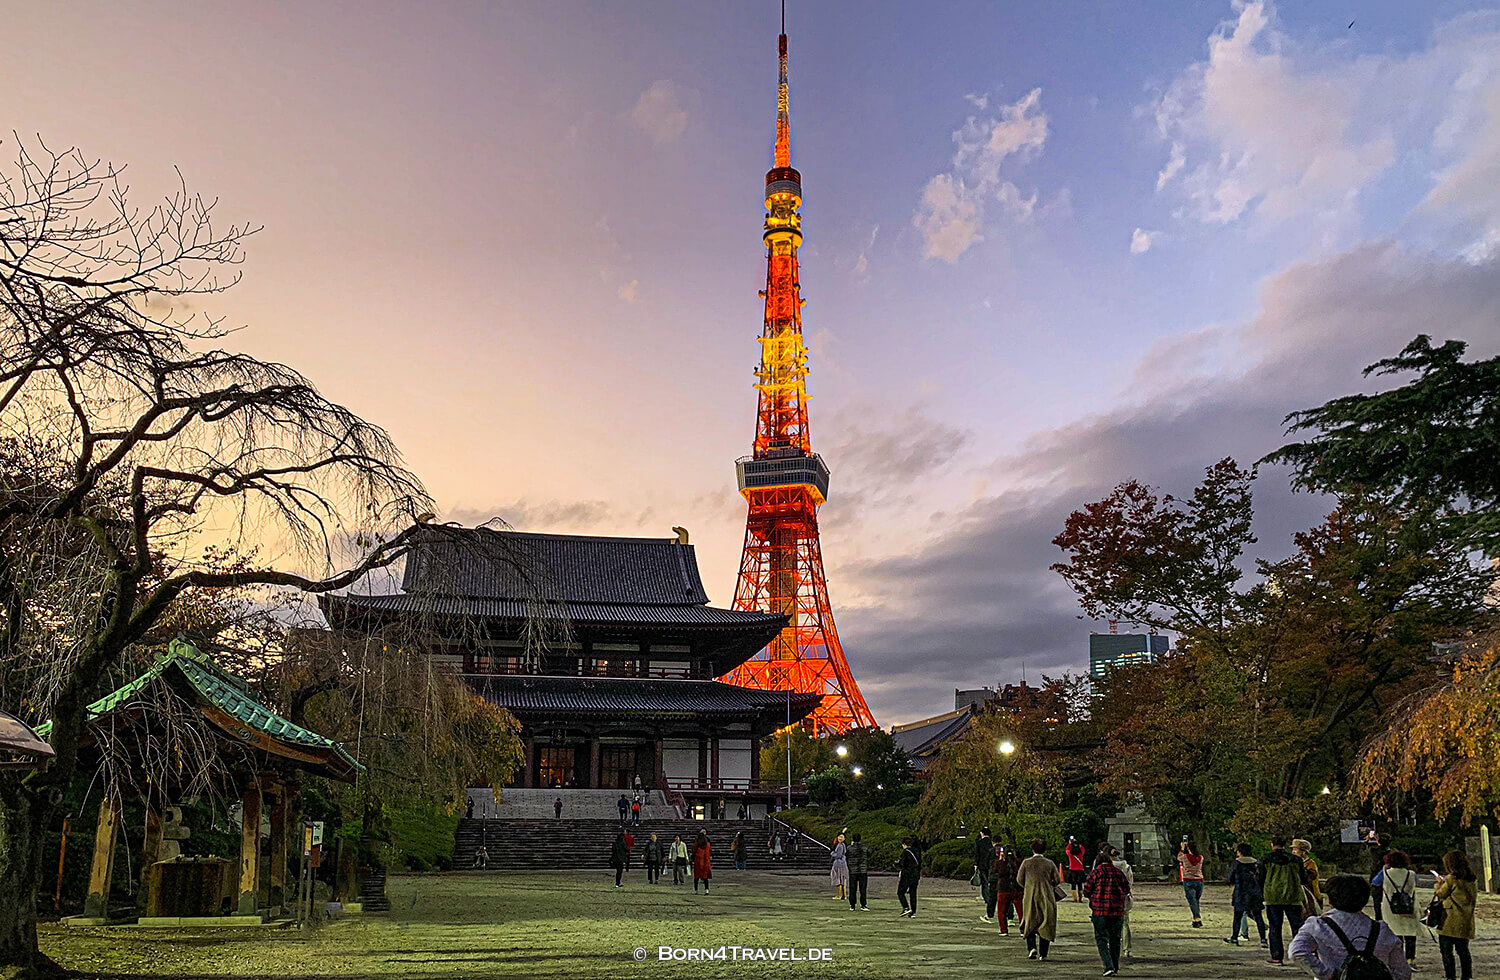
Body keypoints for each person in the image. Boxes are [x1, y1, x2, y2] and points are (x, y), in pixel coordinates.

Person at [1289, 873, 1410, 980]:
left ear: (1330, 901)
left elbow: (1297, 952)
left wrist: (1328, 974)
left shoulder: (1318, 925)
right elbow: (1402, 972)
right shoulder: (1381, 930)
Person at [1260, 835, 1311, 966]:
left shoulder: (1265, 859)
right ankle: (1301, 953)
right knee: (1297, 927)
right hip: (1293, 897)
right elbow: (1304, 879)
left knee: (1275, 927)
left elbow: (1259, 878)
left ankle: (1276, 957)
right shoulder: (1296, 860)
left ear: (1272, 844)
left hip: (1273, 897)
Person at [1083, 841, 1131, 977]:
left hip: (1099, 911)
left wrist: (1093, 897)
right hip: (1117, 911)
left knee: (1102, 939)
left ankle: (1108, 965)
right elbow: (1127, 888)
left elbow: (1086, 890)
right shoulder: (1118, 873)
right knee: (1115, 940)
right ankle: (1115, 966)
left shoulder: (1095, 873)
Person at [1433, 849, 1477, 980]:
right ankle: (1466, 976)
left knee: (1447, 952)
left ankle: (1450, 977)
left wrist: (1439, 883)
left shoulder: (1452, 879)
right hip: (1465, 920)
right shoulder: (1471, 879)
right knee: (1463, 951)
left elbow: (1440, 894)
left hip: (1449, 921)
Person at [1018, 838, 1061, 961]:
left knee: (1029, 920)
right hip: (1046, 896)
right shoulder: (1049, 863)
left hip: (1030, 896)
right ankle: (1043, 953)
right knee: (1046, 922)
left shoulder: (1026, 863)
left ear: (1032, 849)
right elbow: (1057, 880)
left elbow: (1019, 879)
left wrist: (1028, 885)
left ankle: (1032, 947)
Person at [1379, 849, 1419, 968]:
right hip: (1408, 906)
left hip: (1391, 907)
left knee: (1395, 934)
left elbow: (1375, 882)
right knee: (1410, 934)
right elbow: (1415, 882)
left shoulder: (1386, 873)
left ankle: (1398, 959)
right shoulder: (1411, 874)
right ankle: (1410, 959)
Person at [1224, 842, 1269, 948]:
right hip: (1255, 892)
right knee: (1258, 916)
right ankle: (1263, 939)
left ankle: (1235, 937)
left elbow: (1231, 878)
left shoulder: (1237, 863)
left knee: (1238, 916)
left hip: (1241, 891)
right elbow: (1262, 877)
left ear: (1240, 852)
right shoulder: (1257, 863)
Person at [1109, 843, 1136, 961]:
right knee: (1125, 924)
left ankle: (1112, 946)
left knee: (1110, 925)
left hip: (1109, 899)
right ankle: (1127, 949)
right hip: (1123, 899)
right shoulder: (1126, 866)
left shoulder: (1106, 867)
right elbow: (1130, 882)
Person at [993, 844, 1023, 936]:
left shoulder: (999, 863)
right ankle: (1024, 929)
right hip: (1017, 888)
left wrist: (1001, 859)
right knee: (1021, 911)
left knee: (1002, 911)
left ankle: (1003, 929)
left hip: (1003, 889)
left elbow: (995, 872)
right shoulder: (1019, 862)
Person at [1178, 839, 1206, 927]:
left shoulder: (1185, 857)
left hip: (1189, 880)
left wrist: (1182, 848)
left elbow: (1179, 857)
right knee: (1196, 900)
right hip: (1199, 880)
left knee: (1192, 900)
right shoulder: (1201, 857)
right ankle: (1195, 919)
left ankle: (1197, 918)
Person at [973, 826, 998, 923]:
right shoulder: (991, 843)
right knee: (989, 881)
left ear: (982, 833)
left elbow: (977, 854)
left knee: (984, 882)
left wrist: (976, 864)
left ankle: (986, 898)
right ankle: (988, 897)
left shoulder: (979, 842)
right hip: (990, 865)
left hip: (982, 864)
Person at [1293, 839, 1323, 910]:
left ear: (1303, 852)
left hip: (1309, 894)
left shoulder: (1310, 864)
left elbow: (1311, 877)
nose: (1293, 852)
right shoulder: (1294, 863)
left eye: (1296, 849)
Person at [897, 836, 921, 917]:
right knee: (913, 893)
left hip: (907, 874)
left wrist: (897, 864)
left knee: (900, 892)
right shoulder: (916, 851)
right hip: (916, 874)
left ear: (904, 844)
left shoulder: (906, 852)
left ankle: (906, 907)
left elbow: (902, 864)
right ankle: (913, 912)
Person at [847, 832, 871, 911]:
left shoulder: (849, 848)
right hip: (863, 870)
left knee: (852, 888)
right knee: (863, 889)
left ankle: (852, 905)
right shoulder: (865, 847)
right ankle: (863, 904)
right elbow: (869, 854)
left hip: (853, 870)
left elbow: (846, 855)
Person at [1064, 836, 1087, 903]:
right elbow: (1083, 848)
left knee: (1073, 885)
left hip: (1072, 869)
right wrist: (1077, 843)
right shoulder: (1081, 854)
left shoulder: (1070, 854)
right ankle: (1080, 898)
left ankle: (1075, 898)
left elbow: (1066, 849)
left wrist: (1070, 843)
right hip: (1080, 869)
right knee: (1080, 884)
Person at [830, 834, 849, 901]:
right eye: (839, 837)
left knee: (838, 879)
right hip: (843, 863)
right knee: (842, 880)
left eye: (841, 837)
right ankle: (844, 895)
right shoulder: (843, 845)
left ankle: (839, 895)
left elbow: (838, 855)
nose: (840, 838)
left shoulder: (840, 846)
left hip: (838, 864)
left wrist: (832, 853)